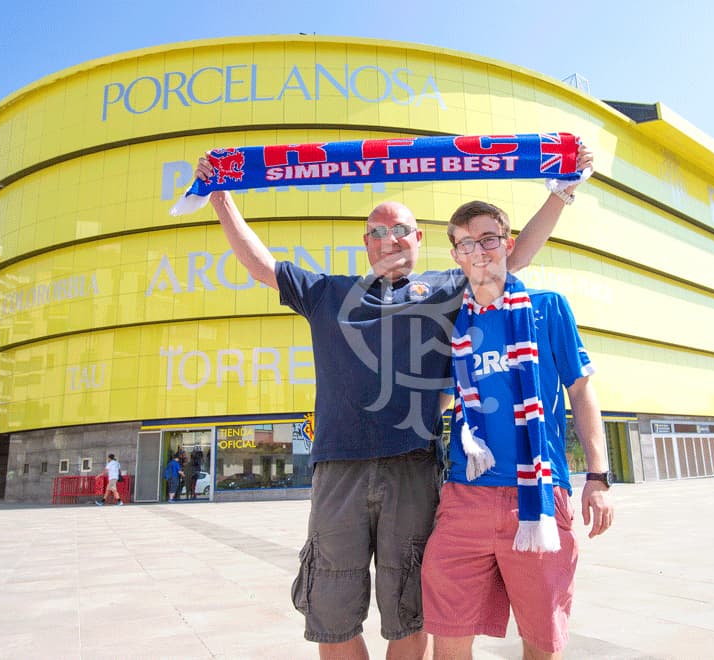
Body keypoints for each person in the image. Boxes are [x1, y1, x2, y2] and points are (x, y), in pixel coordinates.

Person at [196, 142, 592, 659]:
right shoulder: (327, 292)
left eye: (400, 229)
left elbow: (509, 254)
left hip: (413, 469)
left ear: (419, 239)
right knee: (331, 617)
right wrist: (221, 198)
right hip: (338, 470)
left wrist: (562, 193)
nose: (389, 239)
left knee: (409, 610)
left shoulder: (448, 288)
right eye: (377, 232)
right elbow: (261, 266)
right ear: (366, 243)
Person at [420, 200, 614, 659]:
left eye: (489, 239)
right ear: (455, 255)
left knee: (542, 642)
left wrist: (599, 477)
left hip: (539, 496)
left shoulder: (547, 308)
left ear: (508, 245)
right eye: (466, 242)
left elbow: (581, 393)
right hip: (465, 496)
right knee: (447, 637)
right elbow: (440, 399)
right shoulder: (450, 324)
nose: (478, 251)